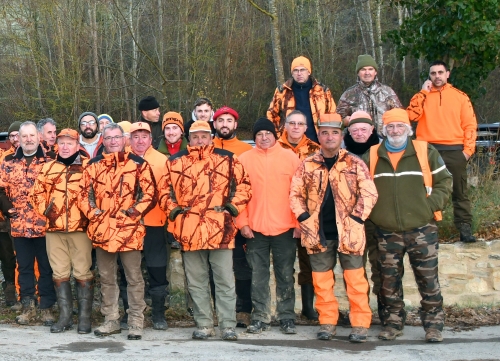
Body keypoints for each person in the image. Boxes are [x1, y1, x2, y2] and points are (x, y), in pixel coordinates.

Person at [362, 108, 452, 342]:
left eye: (399, 126)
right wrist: (373, 212)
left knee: (428, 279)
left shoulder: (425, 151)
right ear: (384, 130)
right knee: (388, 281)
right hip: (385, 230)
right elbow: (358, 188)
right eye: (390, 126)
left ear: (408, 128)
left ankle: (433, 325)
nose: (395, 130)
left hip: (422, 228)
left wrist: (429, 206)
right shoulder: (372, 155)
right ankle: (393, 323)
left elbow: (445, 181)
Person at [159, 120, 251, 341]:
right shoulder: (174, 161)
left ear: (211, 137)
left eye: (204, 136)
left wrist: (231, 208)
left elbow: (245, 185)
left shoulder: (227, 158)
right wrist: (174, 213)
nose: (200, 140)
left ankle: (228, 325)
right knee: (197, 281)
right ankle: (204, 324)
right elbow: (163, 191)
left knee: (225, 280)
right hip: (189, 229)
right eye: (195, 136)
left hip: (221, 228)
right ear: (188, 139)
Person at [290, 113, 378, 342]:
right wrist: (304, 217)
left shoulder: (355, 163)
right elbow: (295, 194)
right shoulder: (307, 164)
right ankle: (327, 322)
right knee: (321, 280)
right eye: (325, 132)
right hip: (318, 232)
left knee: (356, 280)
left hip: (349, 232)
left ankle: (360, 323)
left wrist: (357, 219)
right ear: (318, 135)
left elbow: (369, 193)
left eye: (335, 133)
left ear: (341, 136)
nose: (329, 137)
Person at [78, 123, 156, 340]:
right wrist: (93, 214)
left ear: (125, 140)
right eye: (109, 137)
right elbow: (83, 195)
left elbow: (149, 194)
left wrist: (133, 213)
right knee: (106, 277)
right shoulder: (93, 165)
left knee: (134, 277)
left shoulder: (138, 164)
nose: (113, 141)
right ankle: (111, 319)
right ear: (103, 140)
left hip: (129, 230)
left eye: (117, 137)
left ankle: (136, 321)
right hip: (102, 231)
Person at [236, 117, 301, 335]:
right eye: (259, 135)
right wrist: (243, 223)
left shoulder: (290, 158)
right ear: (254, 138)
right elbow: (238, 196)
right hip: (255, 229)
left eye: (268, 134)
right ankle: (260, 317)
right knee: (258, 275)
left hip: (285, 228)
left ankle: (286, 317)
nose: (264, 138)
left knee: (285, 274)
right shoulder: (244, 159)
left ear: (275, 135)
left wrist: (298, 223)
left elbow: (299, 194)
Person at [31, 128, 93, 334]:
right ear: (57, 145)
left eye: (70, 143)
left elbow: (95, 195)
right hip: (54, 229)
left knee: (83, 272)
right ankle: (65, 316)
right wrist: (46, 212)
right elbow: (36, 193)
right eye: (62, 143)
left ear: (77, 145)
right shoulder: (48, 167)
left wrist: (89, 216)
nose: (65, 147)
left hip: (80, 229)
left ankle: (84, 318)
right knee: (59, 273)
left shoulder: (88, 167)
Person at [407, 60, 477, 243]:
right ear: (429, 76)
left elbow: (470, 125)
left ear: (447, 74)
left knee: (460, 192)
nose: (437, 76)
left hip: (454, 150)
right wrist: (423, 92)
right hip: (427, 149)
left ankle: (465, 229)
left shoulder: (460, 97)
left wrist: (467, 151)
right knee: (424, 191)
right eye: (433, 73)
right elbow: (411, 116)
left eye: (440, 72)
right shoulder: (421, 96)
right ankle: (425, 230)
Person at [0, 121, 57, 326]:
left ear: (39, 137)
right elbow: (0, 188)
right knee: (23, 267)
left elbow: (58, 190)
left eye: (32, 136)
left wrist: (50, 214)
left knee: (45, 267)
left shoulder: (50, 161)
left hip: (45, 226)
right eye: (24, 136)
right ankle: (27, 306)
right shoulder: (8, 162)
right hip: (19, 226)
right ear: (19, 139)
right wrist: (9, 210)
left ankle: (47, 307)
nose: (28, 140)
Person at [277, 110, 320, 321]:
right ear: (285, 125)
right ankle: (284, 309)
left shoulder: (316, 150)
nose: (295, 127)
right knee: (283, 264)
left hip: (308, 214)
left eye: (300, 124)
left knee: (309, 262)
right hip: (280, 213)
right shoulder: (274, 147)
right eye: (291, 123)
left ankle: (308, 307)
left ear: (306, 127)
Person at [212, 106, 253, 328]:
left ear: (235, 125)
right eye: (220, 121)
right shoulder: (207, 148)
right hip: (210, 220)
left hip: (235, 217)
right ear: (215, 124)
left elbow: (247, 186)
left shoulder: (245, 150)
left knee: (240, 265)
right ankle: (219, 310)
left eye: (229, 120)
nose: (224, 124)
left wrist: (236, 211)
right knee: (214, 267)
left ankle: (243, 309)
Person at [128, 122, 169, 331]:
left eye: (144, 136)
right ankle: (131, 313)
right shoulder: (123, 159)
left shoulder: (162, 161)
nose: (140, 140)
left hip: (155, 222)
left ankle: (159, 314)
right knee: (128, 270)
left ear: (151, 139)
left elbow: (168, 192)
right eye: (136, 136)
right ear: (130, 139)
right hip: (128, 224)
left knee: (157, 268)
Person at [343, 111, 382, 319]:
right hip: (350, 220)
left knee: (381, 267)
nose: (359, 133)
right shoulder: (341, 153)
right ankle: (359, 312)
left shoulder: (383, 151)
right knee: (355, 271)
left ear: (372, 130)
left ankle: (385, 311)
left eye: (363, 129)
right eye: (354, 130)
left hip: (378, 219)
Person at [266, 56, 336, 143]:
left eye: (302, 70)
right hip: (289, 143)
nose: (299, 73)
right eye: (296, 70)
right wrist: (278, 136)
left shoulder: (322, 91)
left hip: (317, 141)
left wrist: (328, 138)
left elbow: (332, 116)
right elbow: (271, 115)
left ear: (309, 72)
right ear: (292, 73)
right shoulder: (282, 91)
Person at [336, 54, 402, 136]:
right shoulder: (348, 95)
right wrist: (344, 121)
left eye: (370, 69)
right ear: (358, 73)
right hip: (359, 140)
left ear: (375, 72)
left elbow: (400, 116)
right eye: (363, 69)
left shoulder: (387, 92)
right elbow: (337, 120)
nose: (367, 73)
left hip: (384, 140)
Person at [0, 122, 22, 308]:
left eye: (18, 134)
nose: (15, 139)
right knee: (7, 256)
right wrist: (8, 210)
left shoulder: (38, 157)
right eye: (12, 135)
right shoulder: (4, 158)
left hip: (28, 217)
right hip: (5, 217)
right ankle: (10, 289)